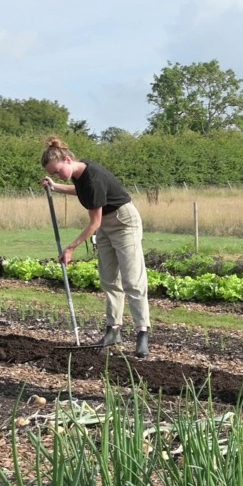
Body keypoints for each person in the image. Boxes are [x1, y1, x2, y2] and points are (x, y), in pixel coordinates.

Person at [40, 137, 151, 358]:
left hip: (123, 223)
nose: (58, 175)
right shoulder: (79, 174)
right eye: (53, 174)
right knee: (109, 279)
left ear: (68, 160)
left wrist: (71, 248)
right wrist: (56, 187)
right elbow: (81, 192)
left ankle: (142, 333)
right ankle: (113, 330)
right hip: (106, 226)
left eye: (58, 171)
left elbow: (94, 222)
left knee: (132, 280)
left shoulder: (94, 178)